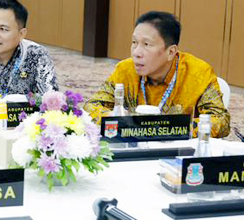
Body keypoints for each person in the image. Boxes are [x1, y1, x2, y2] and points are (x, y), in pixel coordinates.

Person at [86, 11, 230, 137]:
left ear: (171, 52)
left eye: (146, 44)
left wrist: (169, 128)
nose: (136, 53)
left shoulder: (198, 74)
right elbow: (92, 106)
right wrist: (120, 120)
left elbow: (221, 121)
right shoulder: (125, 70)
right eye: (134, 42)